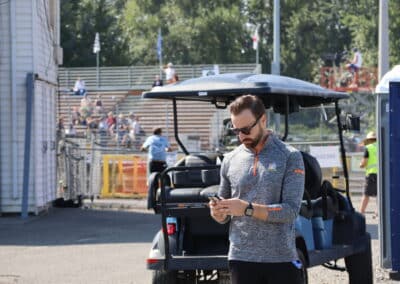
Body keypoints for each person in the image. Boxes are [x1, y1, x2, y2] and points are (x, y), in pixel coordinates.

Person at [209, 94, 305, 284]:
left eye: (246, 129)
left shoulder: (290, 156)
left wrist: (247, 208)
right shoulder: (229, 159)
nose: (241, 136)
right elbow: (225, 213)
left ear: (263, 119)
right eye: (236, 130)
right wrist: (218, 213)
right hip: (240, 258)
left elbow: (290, 211)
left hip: (280, 259)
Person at [359, 131, 377, 215]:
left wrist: (361, 164)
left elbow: (364, 163)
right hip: (381, 174)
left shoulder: (368, 148)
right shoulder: (380, 146)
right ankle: (378, 212)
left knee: (366, 194)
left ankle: (361, 212)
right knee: (379, 194)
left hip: (371, 174)